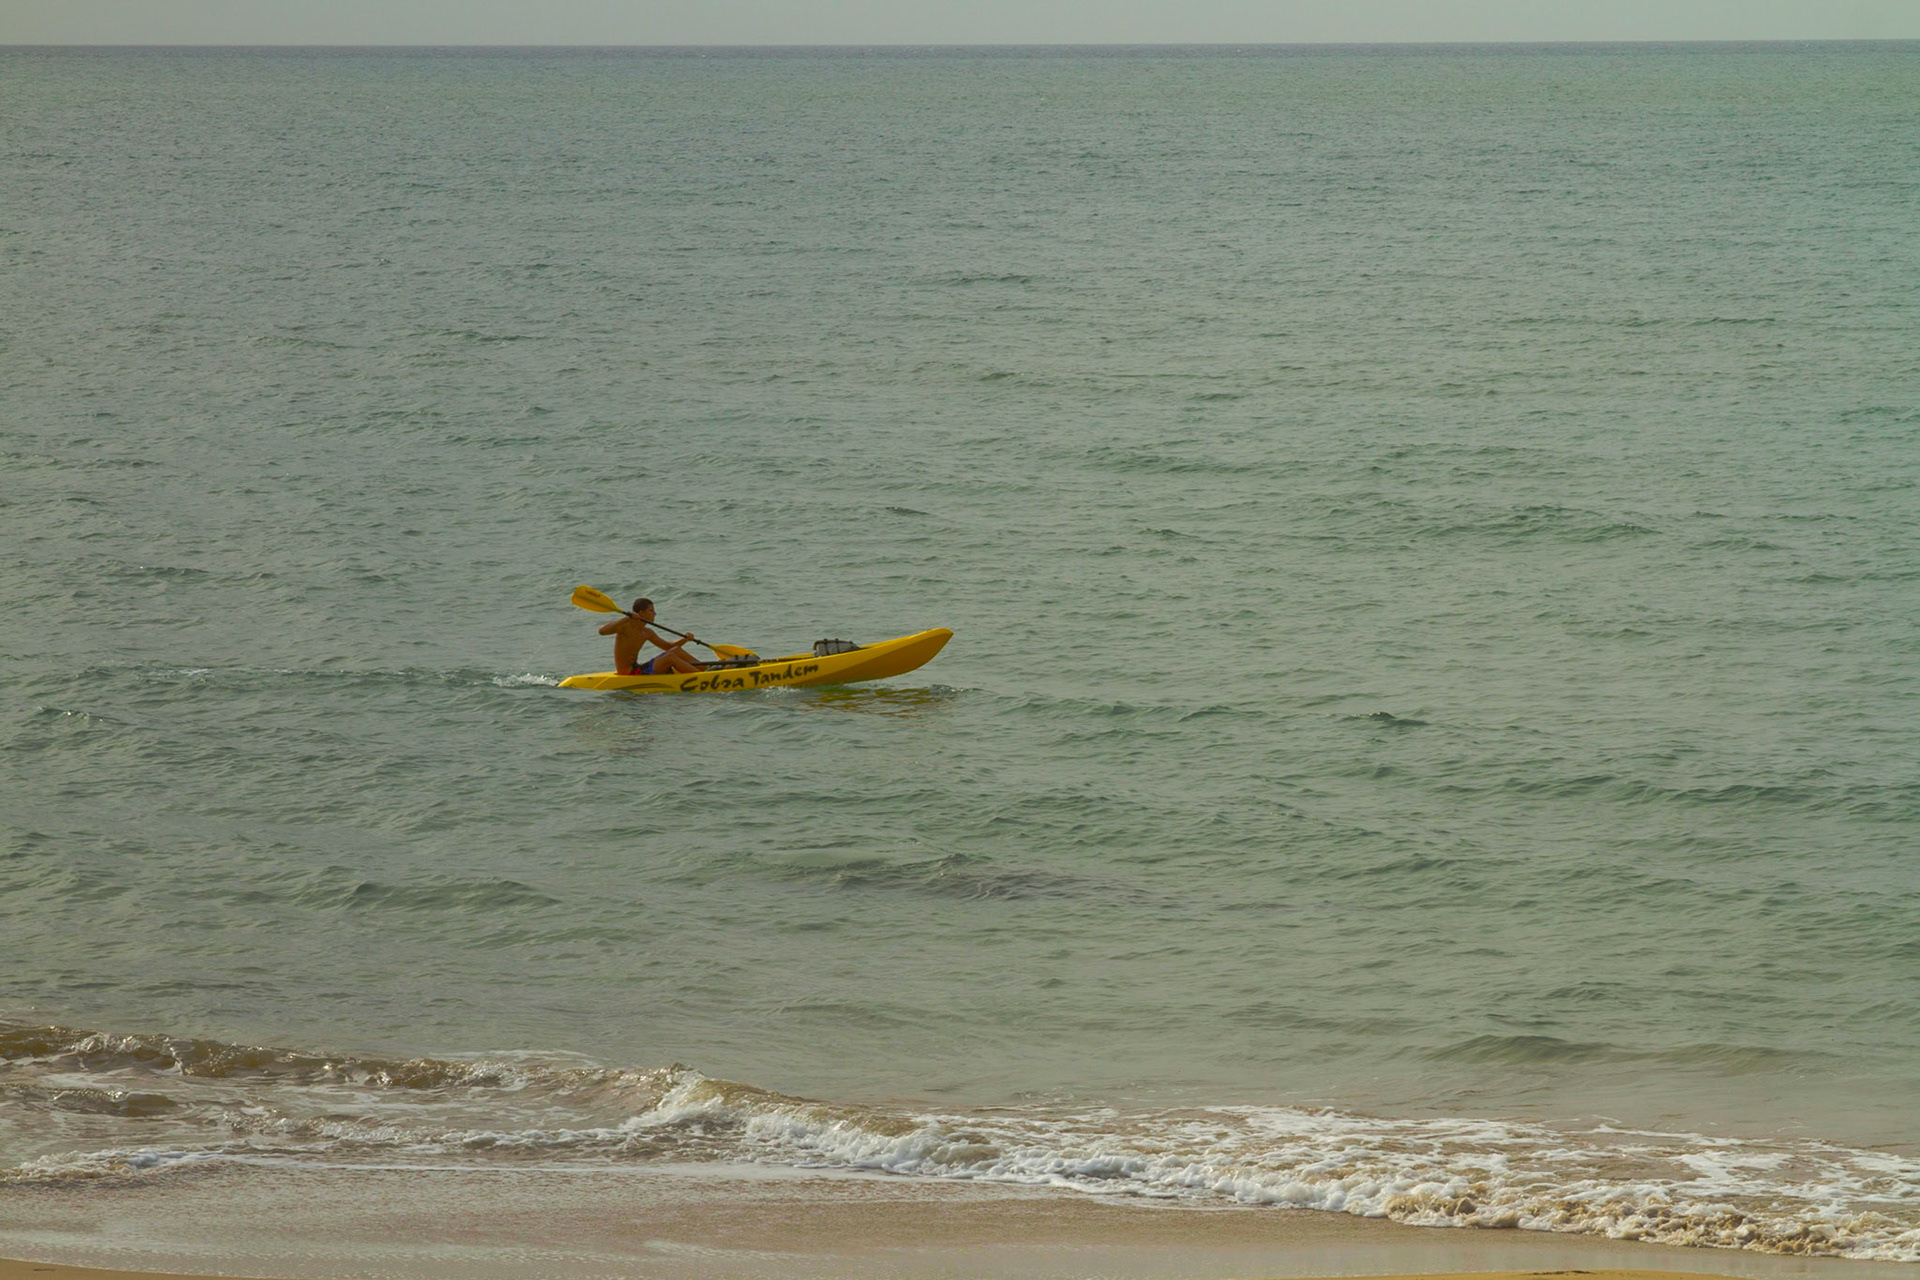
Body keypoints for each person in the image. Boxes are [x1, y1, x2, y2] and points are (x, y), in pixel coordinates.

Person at [598, 598, 705, 676]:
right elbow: (602, 631)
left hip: (638, 668)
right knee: (670, 657)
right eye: (651, 610)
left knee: (675, 650)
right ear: (641, 613)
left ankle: (709, 669)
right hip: (628, 672)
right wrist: (626, 618)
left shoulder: (647, 632)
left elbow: (667, 646)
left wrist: (685, 639)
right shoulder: (625, 627)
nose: (655, 613)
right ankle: (702, 677)